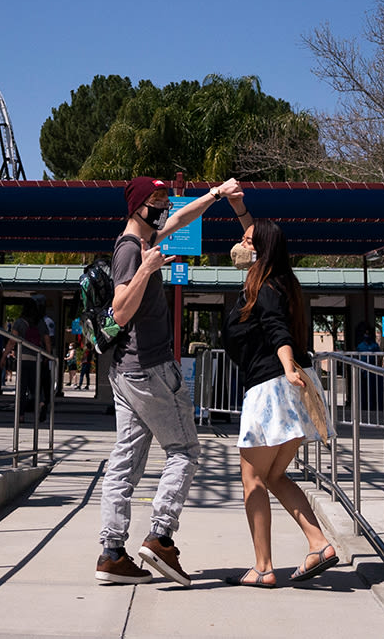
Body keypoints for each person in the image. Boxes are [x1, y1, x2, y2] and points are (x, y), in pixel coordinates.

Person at [94, 176, 248, 586]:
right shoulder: (131, 250)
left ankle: (111, 554)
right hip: (150, 368)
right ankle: (160, 536)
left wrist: (215, 195)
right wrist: (145, 268)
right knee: (184, 451)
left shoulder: (147, 237)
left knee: (125, 462)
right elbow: (120, 311)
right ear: (136, 205)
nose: (163, 206)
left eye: (164, 199)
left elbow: (182, 216)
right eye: (155, 200)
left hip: (128, 372)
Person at [222, 217, 340, 588]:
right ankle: (318, 544)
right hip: (292, 389)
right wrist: (239, 205)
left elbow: (277, 328)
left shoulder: (267, 286)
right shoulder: (282, 280)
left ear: (262, 248)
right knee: (273, 475)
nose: (239, 245)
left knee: (253, 480)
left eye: (245, 239)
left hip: (272, 387)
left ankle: (263, 567)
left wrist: (287, 365)